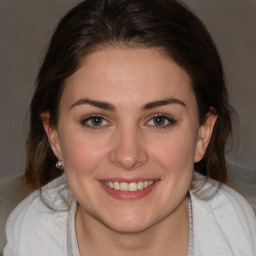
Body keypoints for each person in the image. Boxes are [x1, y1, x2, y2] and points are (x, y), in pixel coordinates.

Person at [4, 0, 256, 255]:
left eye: (159, 120)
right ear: (54, 136)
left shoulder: (241, 237)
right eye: (96, 120)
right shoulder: (26, 240)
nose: (128, 156)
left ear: (203, 134)